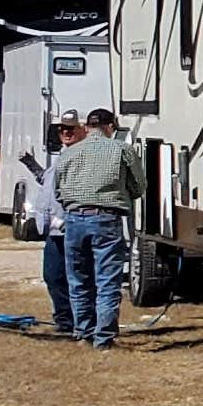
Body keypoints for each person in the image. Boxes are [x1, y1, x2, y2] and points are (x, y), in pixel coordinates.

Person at [54, 106, 141, 350]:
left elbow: (57, 190)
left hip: (73, 219)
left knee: (79, 279)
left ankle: (83, 332)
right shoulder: (122, 150)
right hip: (106, 219)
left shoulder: (69, 153)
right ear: (110, 127)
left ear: (88, 126)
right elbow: (139, 186)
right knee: (107, 280)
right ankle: (103, 338)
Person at [20, 112, 82, 336]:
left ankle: (79, 322)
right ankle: (65, 320)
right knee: (53, 275)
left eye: (71, 128)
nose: (66, 132)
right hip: (54, 232)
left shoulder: (81, 156)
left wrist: (65, 221)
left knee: (75, 277)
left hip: (70, 228)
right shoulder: (63, 156)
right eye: (62, 129)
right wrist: (30, 164)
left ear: (83, 130)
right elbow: (48, 182)